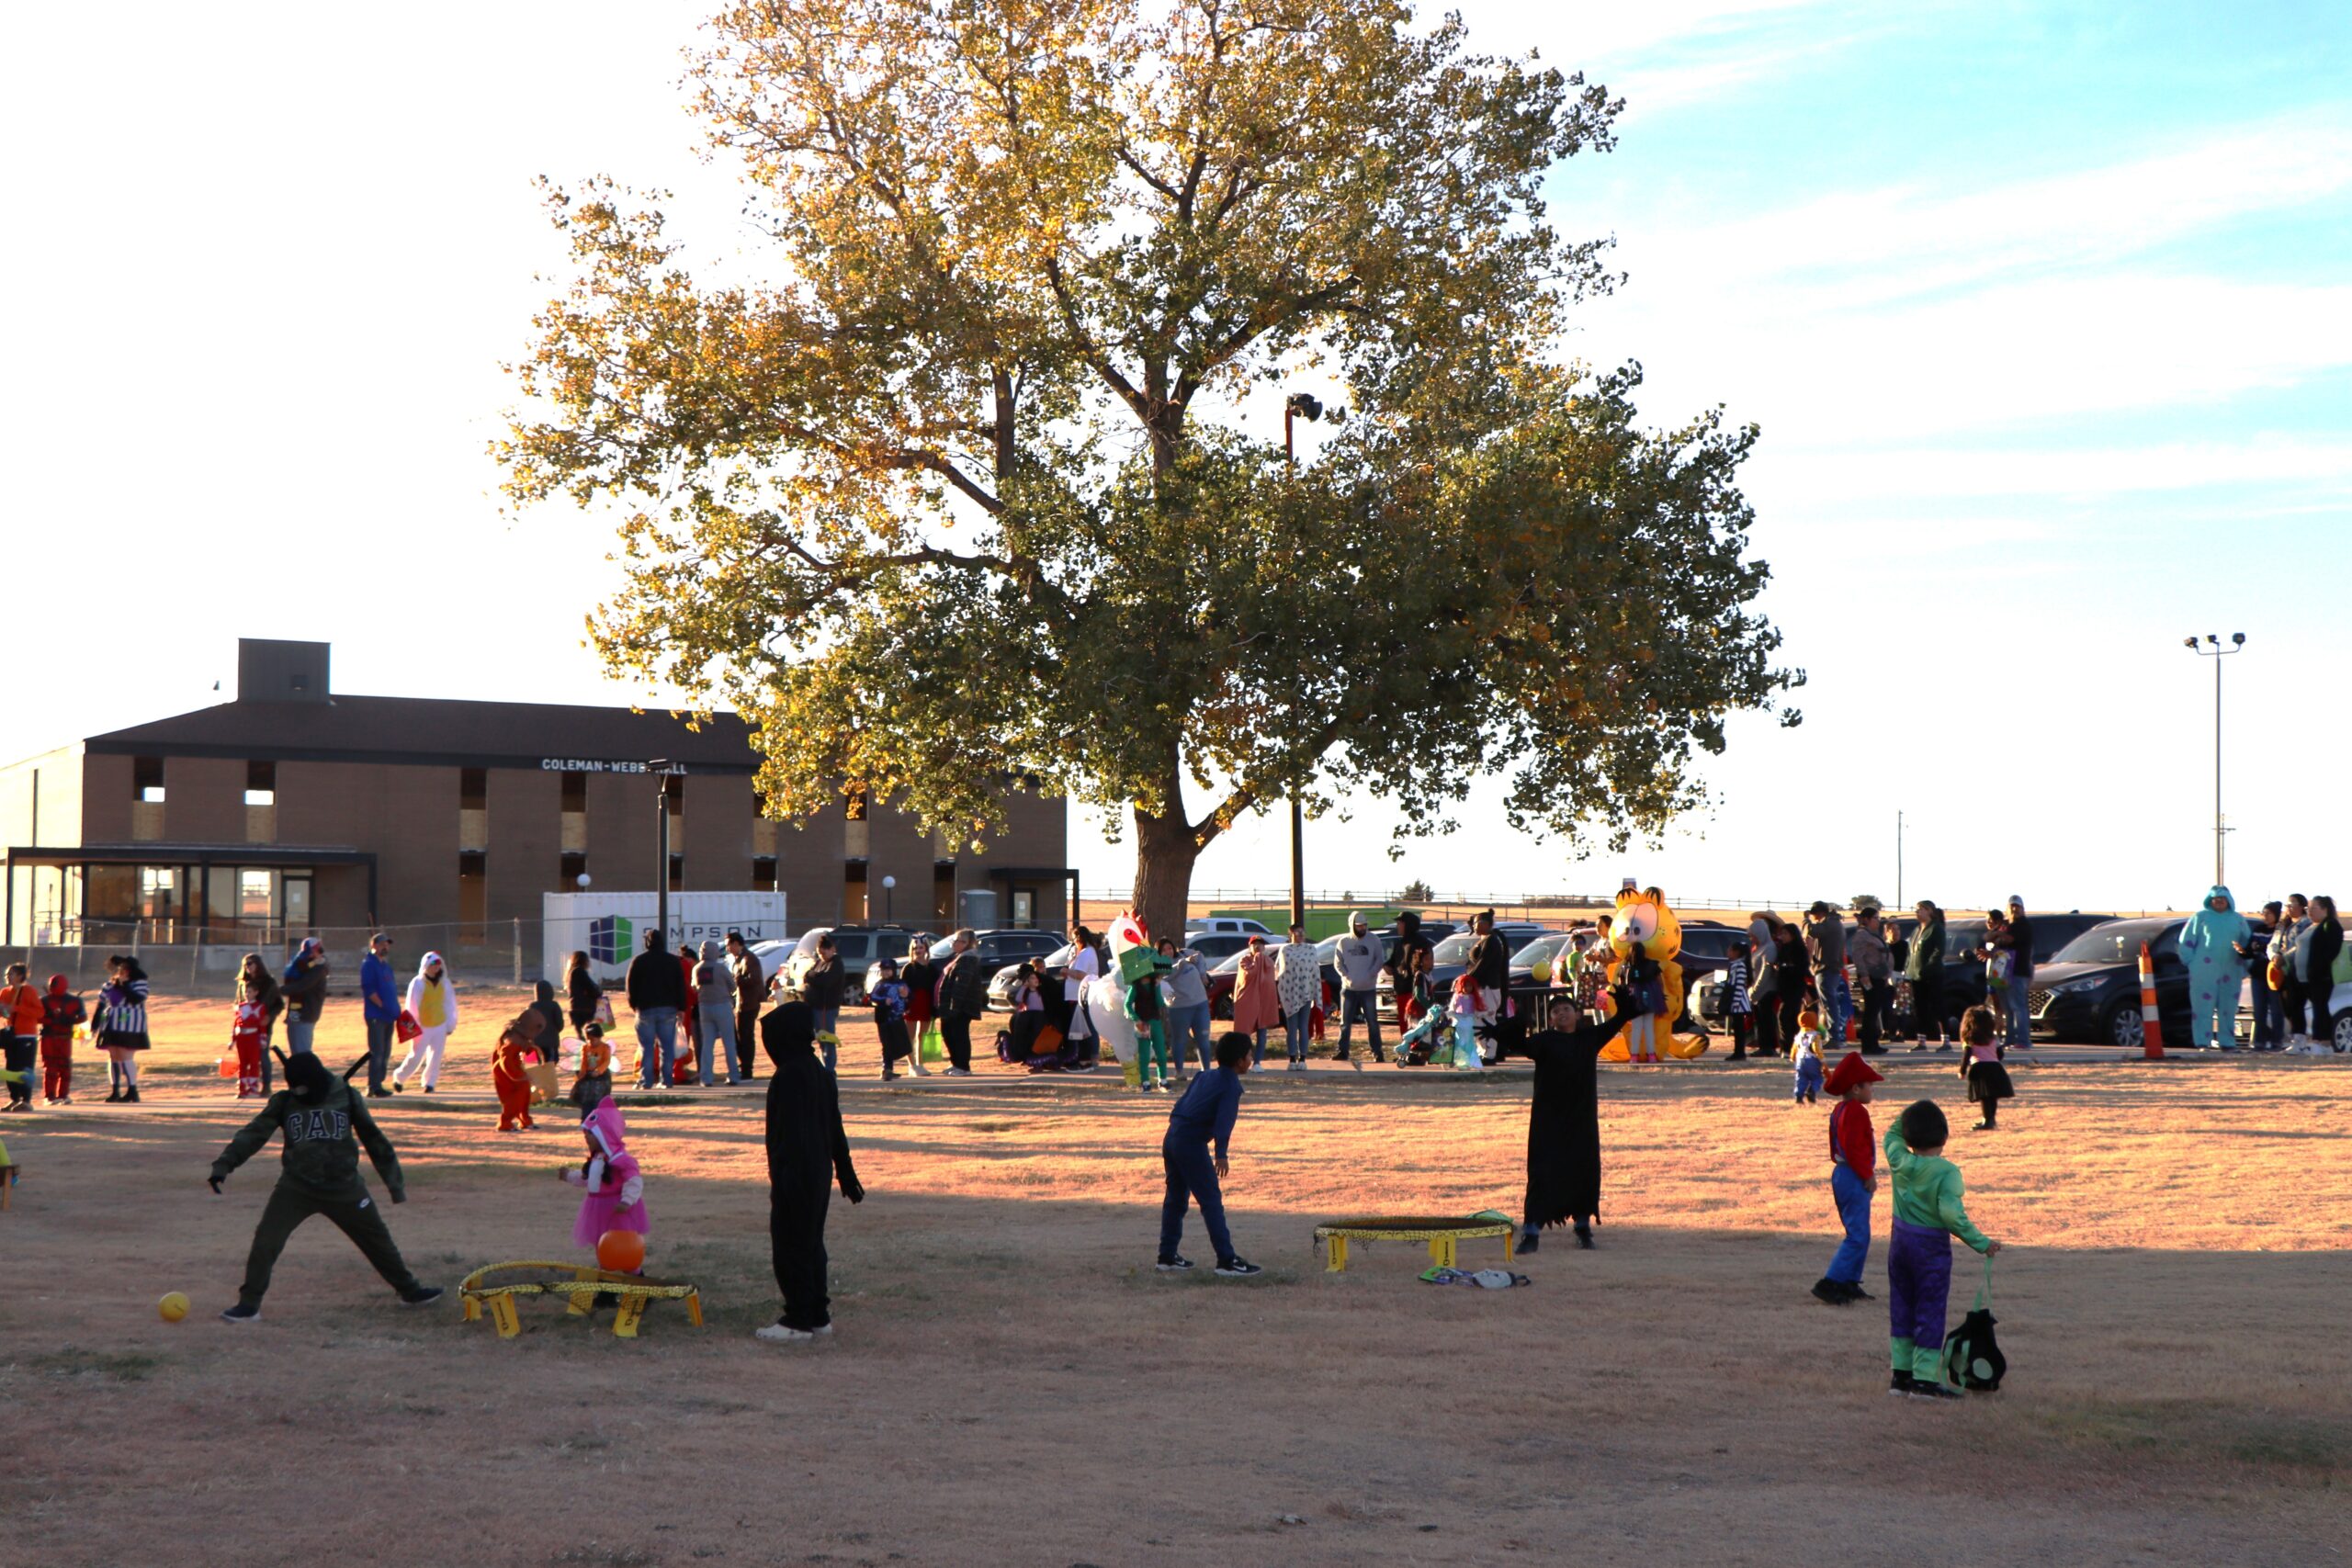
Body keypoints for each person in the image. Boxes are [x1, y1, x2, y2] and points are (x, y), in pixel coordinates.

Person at [208, 1048, 445, 1324]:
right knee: (266, 1241)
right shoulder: (285, 1102)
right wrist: (224, 1165)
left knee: (378, 1242)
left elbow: (373, 1138)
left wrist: (395, 1185)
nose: (301, 1094)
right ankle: (248, 1305)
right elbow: (254, 1133)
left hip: (345, 1187)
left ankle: (410, 1291)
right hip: (296, 1188)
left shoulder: (346, 1096)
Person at [757, 1000, 865, 1342]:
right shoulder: (818, 1071)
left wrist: (788, 1177)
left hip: (797, 1172)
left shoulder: (790, 1075)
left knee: (790, 1245)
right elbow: (835, 1126)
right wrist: (845, 1172)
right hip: (816, 1171)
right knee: (811, 1243)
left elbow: (794, 1133)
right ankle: (818, 1314)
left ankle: (798, 1320)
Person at [1882, 1099, 1999, 1399]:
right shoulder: (1946, 1172)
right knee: (1929, 1310)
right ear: (1944, 1136)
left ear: (1908, 1137)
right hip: (1929, 1250)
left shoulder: (1899, 1159)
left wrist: (1905, 1117)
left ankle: (1901, 1375)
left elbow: (1889, 1137)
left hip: (1899, 1245)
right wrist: (1981, 1243)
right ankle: (1923, 1380)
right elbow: (1951, 1216)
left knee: (1902, 1307)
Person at [1516, 983, 1641, 1253]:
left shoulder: (1589, 1038)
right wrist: (1512, 1025)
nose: (1561, 1013)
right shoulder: (1545, 1040)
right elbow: (1521, 1045)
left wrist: (1624, 1006)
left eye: (1566, 1009)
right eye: (1556, 1011)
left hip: (1581, 1119)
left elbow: (1619, 1020)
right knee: (1542, 1172)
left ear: (1577, 1014)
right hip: (1548, 1119)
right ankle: (1531, 1233)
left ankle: (1583, 1227)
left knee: (1584, 1171)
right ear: (1550, 1019)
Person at [1154, 1031, 1262, 1278]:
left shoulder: (1204, 1075)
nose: (1251, 1059)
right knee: (1211, 1201)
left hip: (1172, 1137)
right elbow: (1224, 1123)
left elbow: (1180, 1106)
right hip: (1190, 1143)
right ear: (1239, 1061)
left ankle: (1167, 1256)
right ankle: (1226, 1260)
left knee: (1175, 1199)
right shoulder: (1230, 1085)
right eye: (1249, 1055)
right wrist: (1221, 1154)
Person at [1813, 1052, 1883, 1305]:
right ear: (1856, 1088)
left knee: (1860, 1233)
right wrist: (1867, 1175)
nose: (1872, 1090)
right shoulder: (1856, 1111)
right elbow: (1855, 1148)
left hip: (1843, 1174)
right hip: (1853, 1175)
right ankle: (1832, 1281)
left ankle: (1850, 1281)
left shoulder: (1841, 1108)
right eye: (1869, 1085)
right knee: (1857, 1234)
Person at [563, 1066, 648, 1259]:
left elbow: (634, 1181)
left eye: (591, 1134)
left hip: (616, 1210)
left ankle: (633, 1274)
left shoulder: (621, 1161)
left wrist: (627, 1200)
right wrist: (569, 1176)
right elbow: (589, 1179)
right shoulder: (597, 1159)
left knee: (623, 1245)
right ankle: (606, 1280)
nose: (587, 1139)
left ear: (605, 1135)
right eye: (585, 1135)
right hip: (597, 1209)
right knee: (602, 1246)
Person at [2178, 886, 2251, 1051]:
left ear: (2229, 901)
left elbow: (2247, 943)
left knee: (2229, 1008)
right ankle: (2203, 1041)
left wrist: (2247, 964)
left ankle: (2227, 1042)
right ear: (2210, 901)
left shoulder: (2238, 919)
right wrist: (2190, 962)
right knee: (2202, 1007)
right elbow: (2186, 941)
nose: (2219, 902)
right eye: (2216, 899)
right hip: (2203, 970)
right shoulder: (2200, 918)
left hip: (2231, 969)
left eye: (2222, 899)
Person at [390, 951, 459, 1093]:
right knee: (415, 1056)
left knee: (436, 1056)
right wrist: (413, 1026)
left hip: (439, 1024)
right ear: (425, 965)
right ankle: (399, 1077)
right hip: (422, 1026)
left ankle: (430, 1083)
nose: (436, 967)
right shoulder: (417, 983)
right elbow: (412, 1005)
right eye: (433, 964)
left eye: (438, 964)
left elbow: (450, 1004)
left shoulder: (444, 983)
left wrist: (450, 1024)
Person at [625, 929, 684, 1089]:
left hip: (645, 1008)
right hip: (668, 1008)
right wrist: (681, 1007)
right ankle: (666, 1080)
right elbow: (680, 985)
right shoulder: (672, 961)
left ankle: (646, 1081)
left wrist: (634, 1005)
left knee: (647, 1047)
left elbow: (630, 986)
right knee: (667, 1046)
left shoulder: (638, 961)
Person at [1332, 911, 1387, 1067]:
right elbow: (1338, 962)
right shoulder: (1344, 942)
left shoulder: (1374, 940)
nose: (1362, 928)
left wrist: (1371, 974)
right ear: (1352, 925)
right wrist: (1346, 976)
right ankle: (1342, 1051)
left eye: (1364, 925)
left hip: (1368, 988)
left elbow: (1379, 959)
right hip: (1348, 988)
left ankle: (1377, 1052)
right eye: (1359, 926)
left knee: (1372, 1022)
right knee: (1345, 1022)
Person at [94, 955, 151, 1103]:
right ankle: (115, 1090)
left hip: (130, 1024)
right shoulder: (109, 985)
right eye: (120, 969)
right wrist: (95, 1024)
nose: (122, 972)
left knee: (126, 1055)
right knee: (113, 1055)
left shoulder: (139, 984)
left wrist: (124, 986)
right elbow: (101, 1004)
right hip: (111, 1023)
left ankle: (132, 1090)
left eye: (125, 969)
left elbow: (136, 999)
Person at [935, 928, 989, 1075]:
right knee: (948, 1033)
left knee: (959, 1035)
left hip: (961, 1006)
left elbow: (962, 984)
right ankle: (956, 1063)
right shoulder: (959, 957)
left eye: (958, 940)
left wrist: (955, 1006)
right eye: (955, 939)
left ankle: (963, 1066)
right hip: (951, 1005)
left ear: (966, 943)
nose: (954, 943)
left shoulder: (967, 959)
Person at [692, 938, 745, 1086]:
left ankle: (706, 1078)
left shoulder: (696, 969)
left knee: (707, 1044)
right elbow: (733, 985)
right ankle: (733, 1076)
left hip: (704, 1007)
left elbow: (694, 987)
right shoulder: (720, 968)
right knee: (729, 1043)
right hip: (722, 1006)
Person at [1159, 936, 1212, 1076]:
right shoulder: (1160, 965)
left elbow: (1199, 956)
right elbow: (1167, 974)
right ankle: (1179, 1072)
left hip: (1200, 1003)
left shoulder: (1184, 953)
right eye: (1163, 950)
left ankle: (1206, 1071)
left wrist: (1202, 974)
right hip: (1180, 1008)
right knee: (1180, 1040)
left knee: (1203, 1040)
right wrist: (1184, 963)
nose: (1168, 952)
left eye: (1169, 948)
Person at [1803, 901, 1851, 1048]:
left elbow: (1810, 931)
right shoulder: (1835, 924)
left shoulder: (1829, 925)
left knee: (1829, 1004)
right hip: (1831, 969)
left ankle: (1834, 1037)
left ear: (1820, 913)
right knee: (1829, 1004)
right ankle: (1834, 1036)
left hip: (1826, 969)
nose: (1814, 917)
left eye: (1814, 914)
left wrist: (1806, 920)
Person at [235, 952, 285, 1093]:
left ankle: (267, 1086)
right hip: (245, 1028)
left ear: (258, 965)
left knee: (262, 1055)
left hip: (263, 1028)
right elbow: (239, 1003)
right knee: (245, 1058)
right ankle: (246, 1087)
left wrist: (269, 1016)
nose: (248, 967)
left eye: (250, 964)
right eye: (245, 965)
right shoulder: (243, 984)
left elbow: (279, 1004)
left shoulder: (269, 983)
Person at [358, 933, 401, 1098]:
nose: (386, 947)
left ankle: (379, 1083)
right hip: (376, 1015)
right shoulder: (369, 964)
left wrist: (395, 1009)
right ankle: (373, 1086)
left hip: (389, 1016)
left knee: (386, 1052)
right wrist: (384, 1007)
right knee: (377, 1051)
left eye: (387, 944)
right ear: (374, 945)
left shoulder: (386, 966)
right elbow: (369, 991)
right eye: (382, 944)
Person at [1958, 1004, 2013, 1130]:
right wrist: (1993, 1059)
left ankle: (1986, 1120)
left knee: (1984, 1096)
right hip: (1995, 1068)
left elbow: (1967, 1055)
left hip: (1979, 1068)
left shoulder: (1970, 1038)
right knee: (1992, 1096)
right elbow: (2000, 1053)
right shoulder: (1993, 1038)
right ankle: (1991, 1119)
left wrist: (1962, 1071)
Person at [1849, 907, 1894, 1055]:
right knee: (1871, 1010)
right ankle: (1869, 1045)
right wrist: (1864, 974)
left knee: (1874, 1010)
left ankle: (1873, 1043)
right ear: (1867, 920)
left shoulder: (1871, 934)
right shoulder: (1862, 935)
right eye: (1876, 918)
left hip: (1878, 977)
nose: (1878, 921)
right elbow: (1858, 956)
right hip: (1870, 977)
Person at [1274, 922, 1319, 1070]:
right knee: (1292, 1027)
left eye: (1302, 932)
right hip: (1289, 993)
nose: (1300, 935)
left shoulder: (1311, 949)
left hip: (1305, 993)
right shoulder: (1285, 950)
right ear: (1291, 934)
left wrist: (1314, 991)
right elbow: (1279, 971)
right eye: (1296, 932)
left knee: (1303, 1026)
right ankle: (1292, 1058)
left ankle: (1303, 1058)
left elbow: (1314, 971)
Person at [1230, 934, 1280, 1066]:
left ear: (1264, 947)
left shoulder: (1269, 962)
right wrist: (1258, 959)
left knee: (1262, 1033)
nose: (1257, 946)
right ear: (1249, 947)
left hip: (1263, 1003)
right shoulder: (1244, 960)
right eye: (1254, 944)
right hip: (1248, 1003)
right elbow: (1248, 975)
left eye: (1260, 944)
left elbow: (1269, 981)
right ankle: (1243, 1060)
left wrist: (1260, 959)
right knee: (1244, 1034)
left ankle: (1257, 1062)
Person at [1906, 901, 1949, 1051]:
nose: (1917, 912)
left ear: (1930, 911)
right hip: (1916, 976)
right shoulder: (1917, 930)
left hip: (1933, 975)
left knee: (1938, 1006)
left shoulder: (1936, 929)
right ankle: (1921, 1041)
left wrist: (1928, 967)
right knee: (1920, 1008)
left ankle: (1946, 1041)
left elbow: (1939, 951)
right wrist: (1907, 971)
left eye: (1921, 910)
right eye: (1916, 910)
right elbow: (1910, 953)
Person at [2270, 894, 2312, 1045]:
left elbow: (2300, 946)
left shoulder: (2306, 924)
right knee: (2285, 1005)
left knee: (2296, 1004)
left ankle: (2299, 1038)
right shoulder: (2282, 924)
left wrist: (2284, 958)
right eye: (2287, 905)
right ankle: (2294, 1036)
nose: (2289, 908)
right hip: (2279, 970)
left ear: (2302, 906)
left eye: (2292, 904)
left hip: (2296, 969)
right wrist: (2274, 956)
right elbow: (2273, 944)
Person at [2301, 896, 2343, 1045]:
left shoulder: (2331, 925)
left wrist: (2318, 967)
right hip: (2313, 976)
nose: (2310, 912)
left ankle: (2322, 1041)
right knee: (2319, 1008)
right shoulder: (2316, 926)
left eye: (2314, 908)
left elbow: (2332, 951)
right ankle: (2321, 1041)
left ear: (2325, 909)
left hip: (2323, 976)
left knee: (2320, 1009)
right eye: (2308, 909)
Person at [2243, 902, 2283, 1051]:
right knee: (2259, 1010)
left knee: (2276, 1009)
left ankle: (2276, 1041)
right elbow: (2249, 950)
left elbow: (2274, 949)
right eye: (2263, 913)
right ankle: (2259, 1041)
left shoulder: (2280, 930)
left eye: (2268, 913)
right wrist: (2242, 951)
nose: (2265, 917)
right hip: (2258, 974)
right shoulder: (2258, 929)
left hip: (2274, 974)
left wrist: (2259, 947)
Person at [0, 964, 41, 1111]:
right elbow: (5, 1014)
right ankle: (14, 1099)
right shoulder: (4, 992)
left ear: (20, 976)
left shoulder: (29, 991)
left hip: (27, 1035)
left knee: (24, 1068)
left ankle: (27, 1100)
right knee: (11, 1067)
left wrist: (16, 1008)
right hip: (11, 1036)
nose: (8, 976)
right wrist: (3, 1010)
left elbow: (39, 1012)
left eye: (11, 973)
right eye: (7, 974)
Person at [492, 1010, 542, 1132]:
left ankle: (525, 1120)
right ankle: (505, 1123)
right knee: (514, 1098)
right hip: (505, 1071)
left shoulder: (522, 1038)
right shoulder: (513, 1040)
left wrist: (532, 1052)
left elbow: (528, 1056)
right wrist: (517, 1075)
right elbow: (505, 1060)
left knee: (525, 1094)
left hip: (516, 1069)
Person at [38, 975, 84, 1104]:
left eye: (54, 985)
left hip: (64, 1038)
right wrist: (53, 1019)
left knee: (65, 1067)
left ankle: (63, 1095)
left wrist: (70, 1020)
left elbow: (83, 1017)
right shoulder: (45, 1001)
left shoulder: (74, 1001)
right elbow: (37, 1018)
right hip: (49, 1038)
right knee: (50, 1067)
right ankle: (50, 1096)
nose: (52, 988)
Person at [280, 937, 329, 1055]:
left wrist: (277, 990)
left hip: (307, 1013)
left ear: (318, 951)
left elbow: (302, 986)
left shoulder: (319, 968)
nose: (309, 955)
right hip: (295, 1012)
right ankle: (298, 1072)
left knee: (303, 1052)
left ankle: (304, 1073)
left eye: (312, 952)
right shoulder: (304, 965)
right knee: (295, 1049)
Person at [1387, 910, 1436, 1027]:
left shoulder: (1422, 942)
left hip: (1415, 991)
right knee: (1406, 1027)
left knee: (1416, 1027)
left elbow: (1428, 966)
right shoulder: (1400, 943)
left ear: (1407, 924)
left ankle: (1416, 1046)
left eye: (1400, 923)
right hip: (1401, 990)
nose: (1397, 926)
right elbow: (1390, 965)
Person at [870, 955, 914, 1080]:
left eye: (888, 970)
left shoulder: (900, 983)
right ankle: (887, 1069)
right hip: (884, 1018)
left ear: (894, 970)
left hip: (897, 1018)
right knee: (887, 1044)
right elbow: (873, 996)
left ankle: (890, 1068)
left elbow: (910, 996)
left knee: (900, 1043)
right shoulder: (880, 985)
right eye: (883, 970)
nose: (886, 972)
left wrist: (906, 995)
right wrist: (884, 1000)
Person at [899, 935, 936, 1077]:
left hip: (926, 1003)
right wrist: (904, 1004)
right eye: (915, 948)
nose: (918, 950)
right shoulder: (908, 968)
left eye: (921, 947)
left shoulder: (931, 968)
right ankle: (912, 1065)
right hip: (912, 1004)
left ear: (926, 948)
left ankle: (920, 1064)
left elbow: (934, 988)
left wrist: (935, 1007)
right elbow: (902, 988)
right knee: (910, 1036)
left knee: (923, 1036)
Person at [2002, 896, 2037, 1048]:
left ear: (2023, 909)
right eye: (2012, 907)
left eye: (2017, 907)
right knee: (2009, 1008)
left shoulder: (2022, 925)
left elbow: (2008, 940)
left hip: (2018, 970)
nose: (2014, 909)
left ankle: (2023, 1040)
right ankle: (2010, 1039)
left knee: (2018, 1006)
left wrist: (1996, 936)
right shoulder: (2010, 925)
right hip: (2008, 970)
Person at [1976, 910, 2014, 1045]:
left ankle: (2001, 1033)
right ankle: (1995, 1032)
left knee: (2000, 1006)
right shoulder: (1991, 935)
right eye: (1987, 921)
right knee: (1992, 1004)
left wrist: (1991, 953)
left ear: (1997, 921)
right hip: (1991, 973)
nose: (1988, 924)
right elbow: (1985, 939)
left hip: (2001, 973)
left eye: (1990, 921)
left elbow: (2003, 953)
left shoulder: (2001, 934)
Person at [564, 949, 604, 1050]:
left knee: (581, 1036)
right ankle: (590, 1056)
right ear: (584, 961)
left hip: (575, 1007)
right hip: (585, 1008)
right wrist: (598, 991)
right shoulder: (580, 972)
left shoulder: (570, 973)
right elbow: (591, 988)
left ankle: (584, 1055)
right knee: (592, 1035)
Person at [1723, 939, 1754, 1061]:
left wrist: (1735, 1003)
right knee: (1737, 1028)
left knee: (1739, 1029)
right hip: (1738, 1002)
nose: (1728, 952)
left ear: (1736, 952)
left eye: (1730, 950)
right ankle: (1738, 1051)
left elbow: (1739, 985)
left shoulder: (1739, 965)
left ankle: (1739, 1052)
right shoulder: (1736, 964)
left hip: (1739, 1003)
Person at [1791, 1004, 1826, 1105]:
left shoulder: (1799, 1035)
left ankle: (1799, 1096)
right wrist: (1822, 1060)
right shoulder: (1815, 1035)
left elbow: (1794, 1048)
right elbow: (1816, 1048)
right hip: (1812, 1060)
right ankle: (1812, 1091)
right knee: (1817, 1078)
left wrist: (1793, 1058)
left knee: (1801, 1078)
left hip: (1800, 1061)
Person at [529, 979, 566, 1063]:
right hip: (552, 1041)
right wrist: (555, 1031)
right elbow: (559, 1023)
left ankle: (542, 1076)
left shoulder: (533, 1006)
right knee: (552, 1063)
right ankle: (549, 1076)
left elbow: (529, 1024)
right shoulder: (554, 1005)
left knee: (541, 1064)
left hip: (537, 1042)